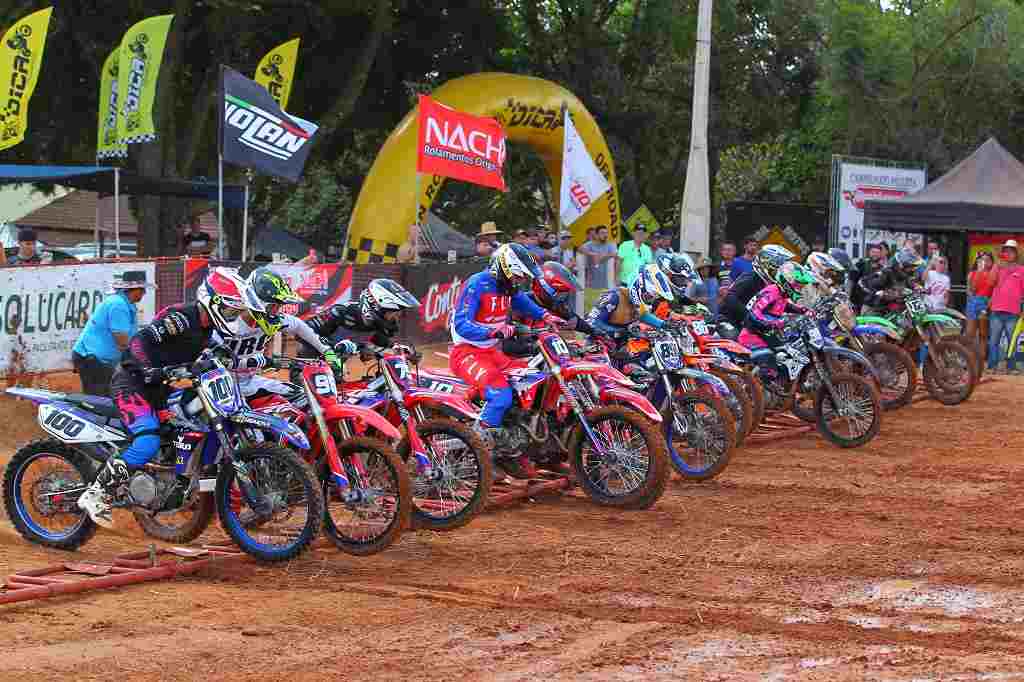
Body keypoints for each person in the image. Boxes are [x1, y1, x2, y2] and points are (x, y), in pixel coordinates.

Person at [76, 268, 267, 528]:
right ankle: (97, 492)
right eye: (230, 311)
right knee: (148, 441)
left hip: (162, 388)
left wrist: (228, 354)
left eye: (234, 312)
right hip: (133, 383)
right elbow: (139, 342)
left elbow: (205, 347)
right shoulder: (180, 318)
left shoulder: (207, 327)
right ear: (211, 301)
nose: (232, 317)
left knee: (184, 427)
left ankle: (168, 483)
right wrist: (148, 369)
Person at [448, 244, 564, 459]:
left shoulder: (508, 286)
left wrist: (545, 316)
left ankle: (517, 442)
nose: (520, 281)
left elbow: (522, 301)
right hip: (466, 353)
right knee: (501, 396)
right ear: (505, 267)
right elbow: (461, 324)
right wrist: (493, 331)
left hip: (493, 353)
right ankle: (481, 454)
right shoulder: (477, 284)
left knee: (533, 381)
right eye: (518, 275)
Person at [214, 267, 345, 402]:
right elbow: (211, 361)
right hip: (222, 387)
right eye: (274, 305)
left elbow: (300, 326)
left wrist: (327, 352)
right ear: (257, 302)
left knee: (304, 398)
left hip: (250, 382)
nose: (277, 311)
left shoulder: (275, 320)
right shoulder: (228, 325)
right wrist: (254, 362)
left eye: (279, 306)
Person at [72, 271, 156, 396]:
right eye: (142, 289)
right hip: (93, 359)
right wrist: (139, 360)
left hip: (96, 358)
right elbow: (122, 342)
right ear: (135, 290)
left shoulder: (123, 303)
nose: (144, 293)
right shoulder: (119, 305)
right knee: (102, 400)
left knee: (108, 395)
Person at [304, 278, 420, 356]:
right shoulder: (340, 312)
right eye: (393, 314)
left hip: (338, 371)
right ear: (375, 307)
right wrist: (331, 346)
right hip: (312, 369)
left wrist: (400, 351)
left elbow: (379, 343)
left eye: (398, 315)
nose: (395, 319)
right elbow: (303, 331)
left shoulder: (374, 324)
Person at [586, 263, 675, 346]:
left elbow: (643, 315)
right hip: (600, 345)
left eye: (653, 297)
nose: (651, 299)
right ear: (639, 287)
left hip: (621, 344)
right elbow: (591, 321)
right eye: (649, 295)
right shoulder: (613, 297)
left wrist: (663, 324)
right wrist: (619, 332)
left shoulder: (636, 302)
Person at [738, 261, 815, 352]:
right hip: (751, 336)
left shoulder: (781, 294)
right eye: (798, 285)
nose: (800, 289)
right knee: (773, 360)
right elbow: (754, 314)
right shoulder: (772, 291)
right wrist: (777, 322)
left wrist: (802, 310)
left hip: (765, 335)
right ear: (787, 281)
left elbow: (784, 306)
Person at [718, 245, 795, 327]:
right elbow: (730, 297)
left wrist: (800, 310)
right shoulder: (752, 277)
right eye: (778, 265)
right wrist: (750, 316)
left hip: (748, 325)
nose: (781, 269)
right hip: (729, 321)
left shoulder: (770, 283)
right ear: (766, 263)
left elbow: (778, 301)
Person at [987, 240, 1024, 374]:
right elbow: (990, 283)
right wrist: (996, 266)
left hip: (1013, 311)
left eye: (1011, 251)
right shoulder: (998, 267)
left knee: (1012, 341)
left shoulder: (1022, 270)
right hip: (997, 309)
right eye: (1006, 251)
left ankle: (1011, 367)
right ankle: (992, 366)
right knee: (993, 341)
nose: (1008, 253)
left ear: (1016, 253)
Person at [858, 248, 925, 315]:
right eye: (911, 266)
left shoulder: (904, 276)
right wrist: (877, 293)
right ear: (901, 265)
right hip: (874, 309)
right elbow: (863, 282)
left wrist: (918, 287)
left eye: (914, 267)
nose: (913, 269)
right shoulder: (886, 273)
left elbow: (910, 284)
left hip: (890, 309)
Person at [966, 251, 996, 364]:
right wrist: (979, 272)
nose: (985, 262)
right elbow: (971, 290)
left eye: (988, 260)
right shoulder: (972, 273)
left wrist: (989, 303)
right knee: (970, 333)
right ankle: (968, 359)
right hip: (974, 302)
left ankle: (981, 361)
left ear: (992, 262)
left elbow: (994, 291)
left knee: (983, 334)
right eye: (983, 260)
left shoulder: (994, 274)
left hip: (986, 302)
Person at [849, 243, 886, 312]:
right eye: (873, 252)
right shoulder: (861, 264)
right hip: (856, 301)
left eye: (877, 252)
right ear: (869, 253)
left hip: (870, 304)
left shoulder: (883, 269)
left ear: (881, 254)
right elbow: (851, 281)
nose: (875, 254)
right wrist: (848, 297)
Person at [617, 223, 653, 287]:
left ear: (645, 235)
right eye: (638, 233)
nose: (640, 235)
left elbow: (649, 267)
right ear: (633, 233)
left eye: (642, 234)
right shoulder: (625, 245)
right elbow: (618, 262)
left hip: (639, 284)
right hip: (624, 282)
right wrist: (616, 278)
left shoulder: (647, 249)